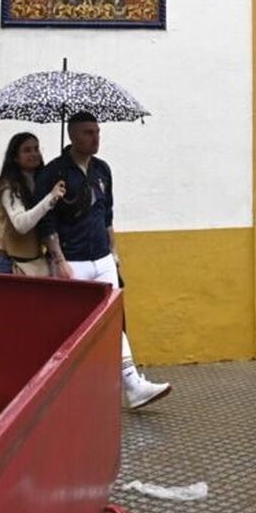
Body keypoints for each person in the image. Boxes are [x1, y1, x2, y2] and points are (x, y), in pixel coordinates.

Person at [35, 111, 170, 409]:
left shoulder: (102, 170)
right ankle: (58, 392)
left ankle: (133, 385)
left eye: (97, 132)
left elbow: (107, 214)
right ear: (71, 136)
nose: (96, 138)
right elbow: (47, 223)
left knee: (113, 322)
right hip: (73, 261)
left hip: (103, 258)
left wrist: (115, 252)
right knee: (70, 328)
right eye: (88, 133)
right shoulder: (53, 173)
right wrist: (59, 260)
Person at [0, 132, 68, 276]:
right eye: (27, 150)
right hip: (9, 262)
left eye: (36, 149)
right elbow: (21, 225)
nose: (34, 153)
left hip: (36, 262)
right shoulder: (8, 187)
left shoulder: (42, 183)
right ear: (15, 157)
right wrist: (50, 198)